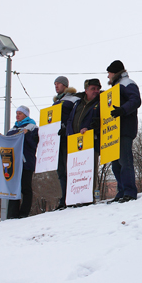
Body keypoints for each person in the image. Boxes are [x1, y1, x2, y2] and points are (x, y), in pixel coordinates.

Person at [107, 61, 142, 203]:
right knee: (116, 164)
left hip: (125, 128)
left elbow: (136, 100)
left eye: (109, 73)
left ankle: (129, 192)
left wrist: (123, 110)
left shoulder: (128, 83)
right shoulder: (115, 87)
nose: (108, 76)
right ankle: (121, 192)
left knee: (125, 161)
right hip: (114, 131)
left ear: (115, 72)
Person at [66, 79, 102, 203]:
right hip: (75, 143)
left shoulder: (101, 103)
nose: (96, 91)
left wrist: (90, 128)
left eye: (98, 89)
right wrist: (70, 134)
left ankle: (88, 197)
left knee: (89, 170)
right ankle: (76, 197)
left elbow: (101, 121)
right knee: (76, 171)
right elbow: (70, 120)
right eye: (93, 89)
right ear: (86, 90)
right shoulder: (78, 103)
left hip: (91, 142)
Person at [6, 106, 39, 219]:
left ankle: (24, 213)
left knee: (25, 187)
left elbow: (35, 143)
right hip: (14, 163)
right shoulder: (13, 128)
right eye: (16, 113)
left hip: (26, 162)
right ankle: (12, 214)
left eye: (20, 113)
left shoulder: (32, 127)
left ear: (26, 115)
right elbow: (7, 141)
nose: (17, 115)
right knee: (14, 188)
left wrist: (27, 134)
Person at [52, 76, 80, 210]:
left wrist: (67, 128)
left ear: (65, 85)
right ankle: (64, 198)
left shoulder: (74, 99)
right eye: (55, 84)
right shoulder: (55, 103)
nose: (56, 86)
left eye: (58, 84)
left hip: (69, 138)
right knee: (61, 170)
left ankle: (73, 197)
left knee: (71, 168)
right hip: (57, 140)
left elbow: (76, 116)